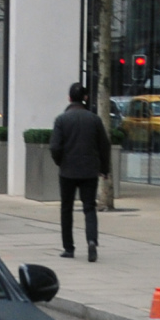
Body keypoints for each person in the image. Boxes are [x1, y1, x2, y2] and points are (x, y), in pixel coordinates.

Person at [49, 82, 110, 262]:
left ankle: (69, 248)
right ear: (86, 98)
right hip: (89, 171)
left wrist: (61, 162)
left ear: (69, 98)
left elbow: (54, 146)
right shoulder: (94, 119)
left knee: (66, 209)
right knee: (89, 208)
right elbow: (104, 146)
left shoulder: (61, 120)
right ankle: (91, 240)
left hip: (67, 171)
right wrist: (104, 169)